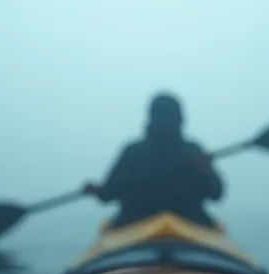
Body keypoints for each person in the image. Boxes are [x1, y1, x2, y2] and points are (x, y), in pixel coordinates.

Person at [83, 92, 225, 228]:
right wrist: (97, 191)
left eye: (170, 117)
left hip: (188, 226)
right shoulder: (133, 152)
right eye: (163, 116)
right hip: (136, 227)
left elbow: (216, 193)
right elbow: (108, 194)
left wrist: (206, 172)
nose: (166, 122)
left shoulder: (192, 152)